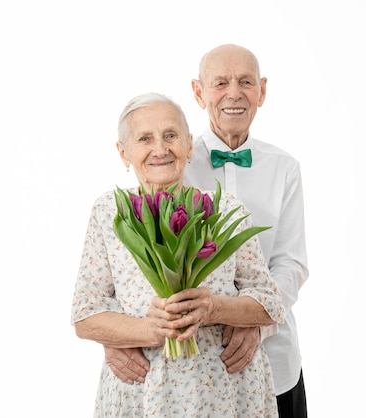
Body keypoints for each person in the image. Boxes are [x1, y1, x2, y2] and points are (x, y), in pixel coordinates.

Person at [105, 44, 310, 417]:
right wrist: (117, 335)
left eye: (246, 82)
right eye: (220, 83)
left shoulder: (285, 168)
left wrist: (251, 321)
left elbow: (290, 264)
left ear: (261, 91)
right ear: (199, 92)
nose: (234, 93)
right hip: (186, 372)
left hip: (274, 356)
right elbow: (127, 261)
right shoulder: (168, 158)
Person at [71, 92, 285, 417]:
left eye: (170, 135)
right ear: (124, 152)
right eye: (145, 138)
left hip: (224, 391)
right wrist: (149, 330)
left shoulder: (224, 209)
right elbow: (85, 315)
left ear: (188, 145)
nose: (160, 149)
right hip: (141, 393)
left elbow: (271, 303)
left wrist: (214, 308)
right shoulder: (109, 212)